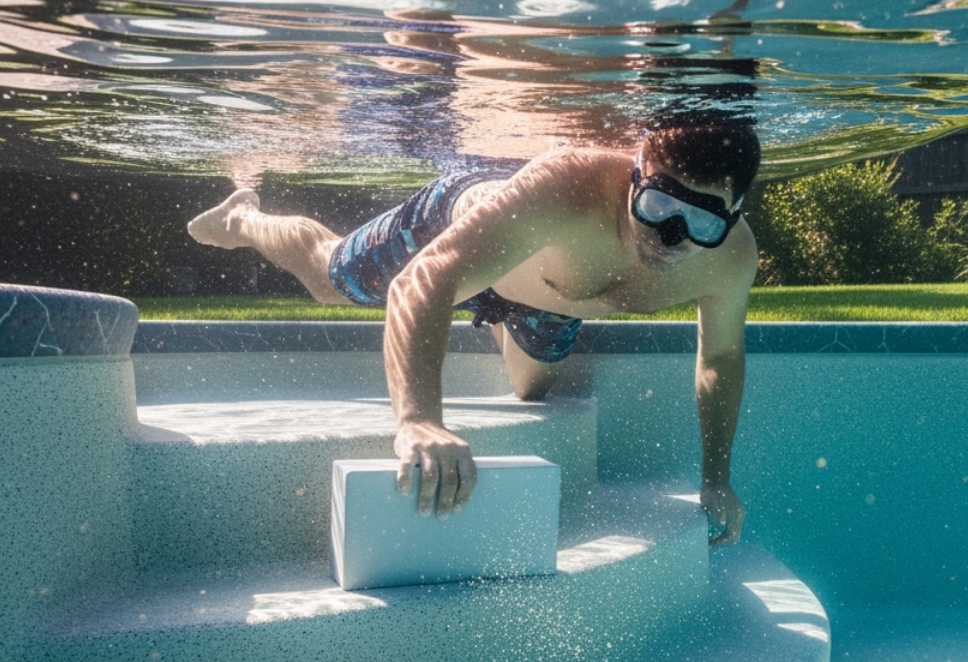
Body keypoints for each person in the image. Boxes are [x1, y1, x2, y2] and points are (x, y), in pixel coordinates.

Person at [187, 117, 761, 544]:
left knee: (530, 388)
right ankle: (243, 217)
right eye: (659, 205)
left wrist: (716, 478)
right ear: (637, 181)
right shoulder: (565, 187)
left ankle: (485, 306)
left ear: (733, 216)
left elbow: (720, 359)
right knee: (329, 277)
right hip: (459, 233)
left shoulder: (731, 261)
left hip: (553, 300)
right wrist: (418, 422)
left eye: (705, 219)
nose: (672, 235)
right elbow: (419, 282)